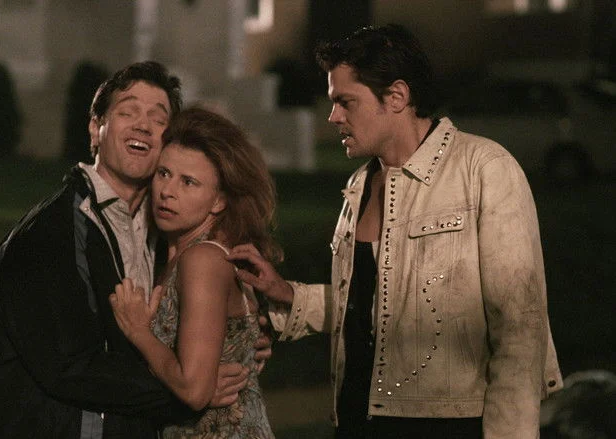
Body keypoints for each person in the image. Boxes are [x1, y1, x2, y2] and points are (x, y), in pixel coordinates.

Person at [227, 24, 564, 438]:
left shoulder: (484, 169)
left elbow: (519, 331)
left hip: (446, 426)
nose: (333, 117)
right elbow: (378, 300)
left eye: (345, 102)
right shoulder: (359, 185)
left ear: (397, 96)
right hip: (357, 419)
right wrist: (290, 296)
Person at [0, 61, 270, 439]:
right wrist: (186, 394)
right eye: (128, 111)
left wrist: (237, 342)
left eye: (158, 117)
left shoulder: (168, 233)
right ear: (95, 128)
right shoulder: (46, 236)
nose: (143, 125)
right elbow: (69, 367)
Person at [109, 107, 279, 438]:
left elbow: (194, 390)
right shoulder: (181, 255)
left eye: (188, 182)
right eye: (163, 173)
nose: (167, 191)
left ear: (219, 201)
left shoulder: (203, 259)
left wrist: (139, 332)